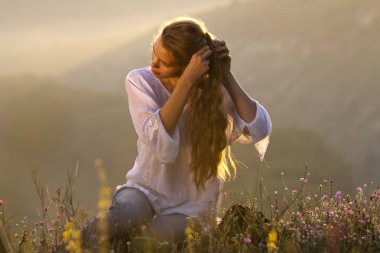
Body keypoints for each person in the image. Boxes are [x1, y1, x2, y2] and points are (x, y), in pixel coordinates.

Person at [81, 16, 272, 251]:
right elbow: (160, 144)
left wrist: (226, 76)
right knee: (124, 216)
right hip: (146, 188)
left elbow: (258, 127)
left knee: (148, 242)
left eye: (163, 62)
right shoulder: (141, 81)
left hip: (191, 205)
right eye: (154, 53)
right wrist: (186, 82)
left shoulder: (214, 92)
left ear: (185, 67)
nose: (153, 65)